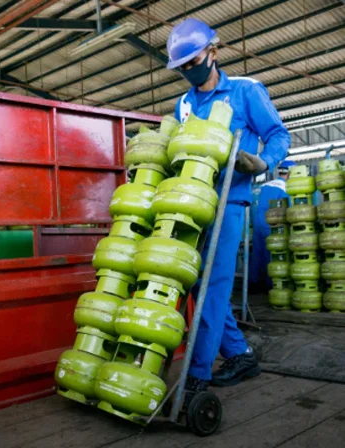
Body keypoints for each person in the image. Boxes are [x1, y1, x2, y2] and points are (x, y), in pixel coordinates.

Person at [165, 18, 291, 398]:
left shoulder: (245, 91)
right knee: (194, 283)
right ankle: (240, 354)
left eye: (193, 62)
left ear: (213, 52)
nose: (189, 71)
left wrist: (264, 162)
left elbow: (278, 134)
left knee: (213, 288)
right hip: (191, 205)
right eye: (182, 67)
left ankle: (197, 375)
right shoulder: (184, 105)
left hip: (228, 204)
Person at [250, 160, 295, 292]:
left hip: (258, 221)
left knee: (257, 252)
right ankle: (270, 284)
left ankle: (253, 283)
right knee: (273, 253)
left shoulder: (265, 185)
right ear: (290, 172)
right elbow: (289, 210)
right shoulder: (285, 188)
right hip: (272, 223)